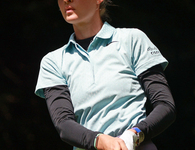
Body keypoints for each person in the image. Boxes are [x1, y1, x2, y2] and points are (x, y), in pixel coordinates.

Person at [35, 0, 176, 150]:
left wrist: (133, 135)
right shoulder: (53, 61)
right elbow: (63, 124)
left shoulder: (132, 40)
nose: (66, 0)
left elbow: (165, 105)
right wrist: (99, 141)